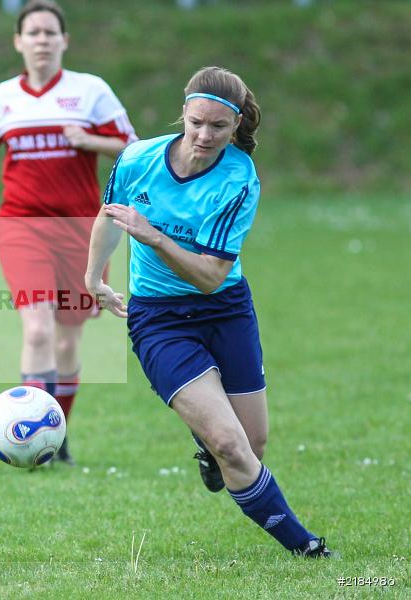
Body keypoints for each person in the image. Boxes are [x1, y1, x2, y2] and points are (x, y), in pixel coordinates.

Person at [85, 66, 332, 557]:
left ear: (236, 126)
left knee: (252, 445)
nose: (204, 135)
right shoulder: (137, 159)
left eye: (218, 127)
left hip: (224, 309)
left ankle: (212, 449)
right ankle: (306, 548)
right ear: (183, 112)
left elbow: (210, 275)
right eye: (196, 122)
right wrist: (94, 279)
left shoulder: (238, 178)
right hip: (159, 318)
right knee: (231, 444)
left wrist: (151, 234)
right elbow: (109, 220)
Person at [0, 0, 136, 465]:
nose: (41, 40)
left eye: (50, 33)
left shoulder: (90, 91)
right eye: (32, 33)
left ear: (64, 41)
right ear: (18, 41)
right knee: (37, 330)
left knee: (69, 339)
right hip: (21, 225)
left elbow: (132, 148)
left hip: (82, 230)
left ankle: (57, 433)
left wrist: (89, 140)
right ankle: (32, 435)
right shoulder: (0, 98)